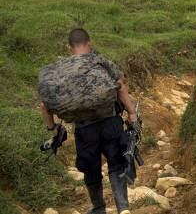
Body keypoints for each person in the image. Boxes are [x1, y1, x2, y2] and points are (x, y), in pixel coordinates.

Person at [39, 29, 137, 214]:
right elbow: (120, 87)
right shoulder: (101, 62)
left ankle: (98, 208)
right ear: (89, 42)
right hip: (110, 123)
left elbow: (44, 105)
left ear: (69, 47)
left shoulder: (58, 71)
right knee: (116, 164)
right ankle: (123, 208)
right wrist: (132, 113)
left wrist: (52, 127)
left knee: (91, 170)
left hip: (84, 130)